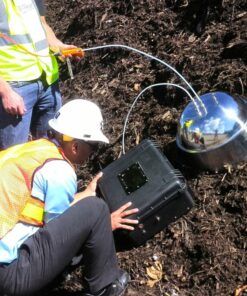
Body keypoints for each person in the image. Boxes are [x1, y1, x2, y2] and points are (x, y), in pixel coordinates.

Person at [0, 99, 139, 296]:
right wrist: (104, 224)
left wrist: (84, 194)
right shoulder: (60, 171)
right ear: (75, 146)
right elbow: (56, 232)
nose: (93, 153)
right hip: (9, 276)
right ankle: (106, 288)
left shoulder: (34, 150)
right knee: (96, 209)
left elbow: (37, 208)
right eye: (93, 147)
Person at [0, 0, 80, 150]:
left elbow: (42, 25)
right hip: (15, 86)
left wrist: (59, 45)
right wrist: (5, 91)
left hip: (48, 81)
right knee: (13, 155)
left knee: (53, 148)